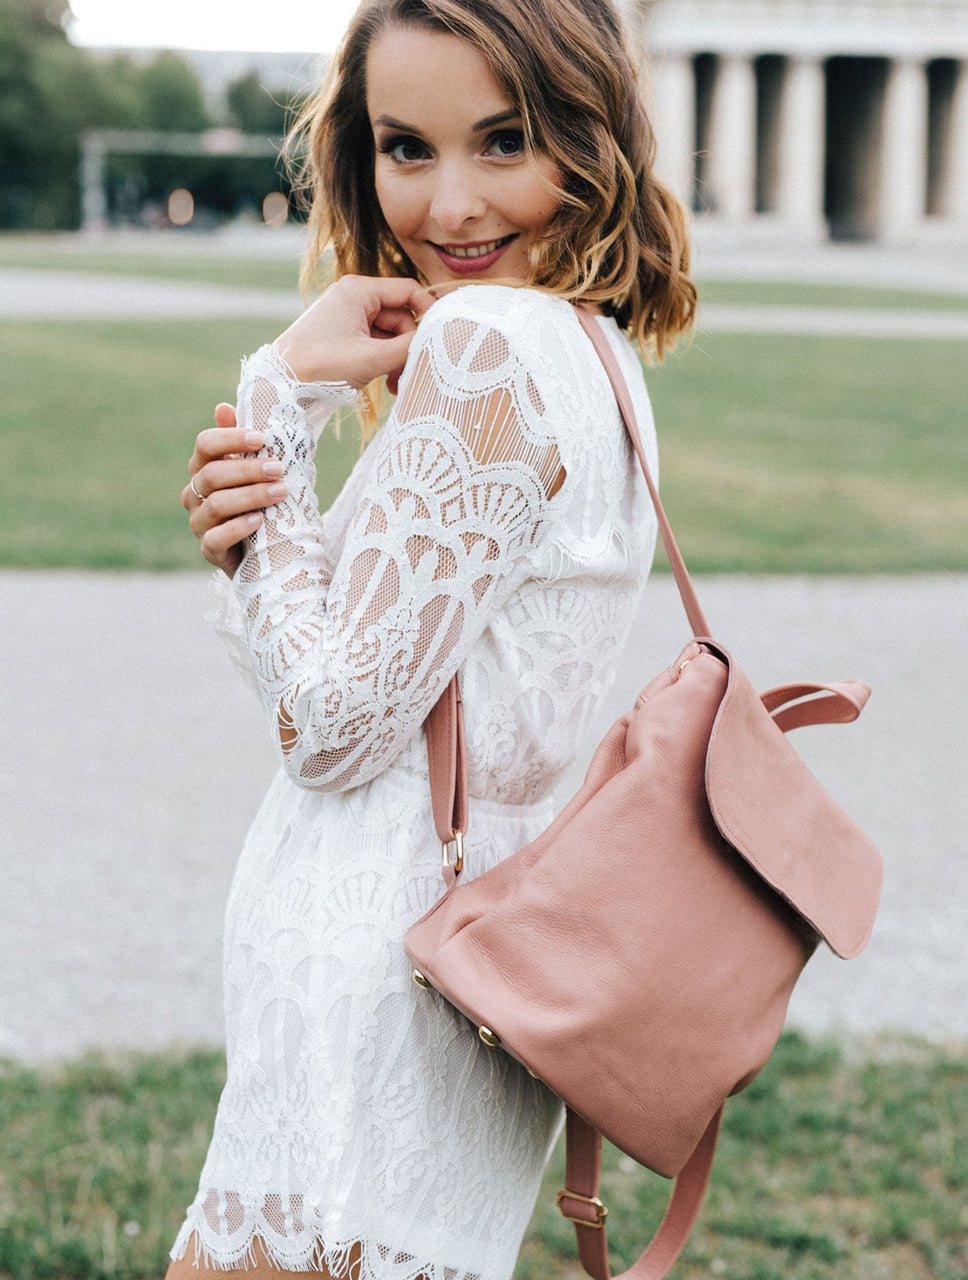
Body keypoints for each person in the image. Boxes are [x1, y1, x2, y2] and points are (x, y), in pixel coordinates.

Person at [171, 0, 695, 1274]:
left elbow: (328, 726)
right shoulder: (597, 354)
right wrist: (260, 537)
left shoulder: (492, 341)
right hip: (461, 956)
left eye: (502, 141)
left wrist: (276, 402)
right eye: (407, 147)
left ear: (588, 138)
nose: (450, 204)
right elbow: (364, 672)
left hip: (374, 975)